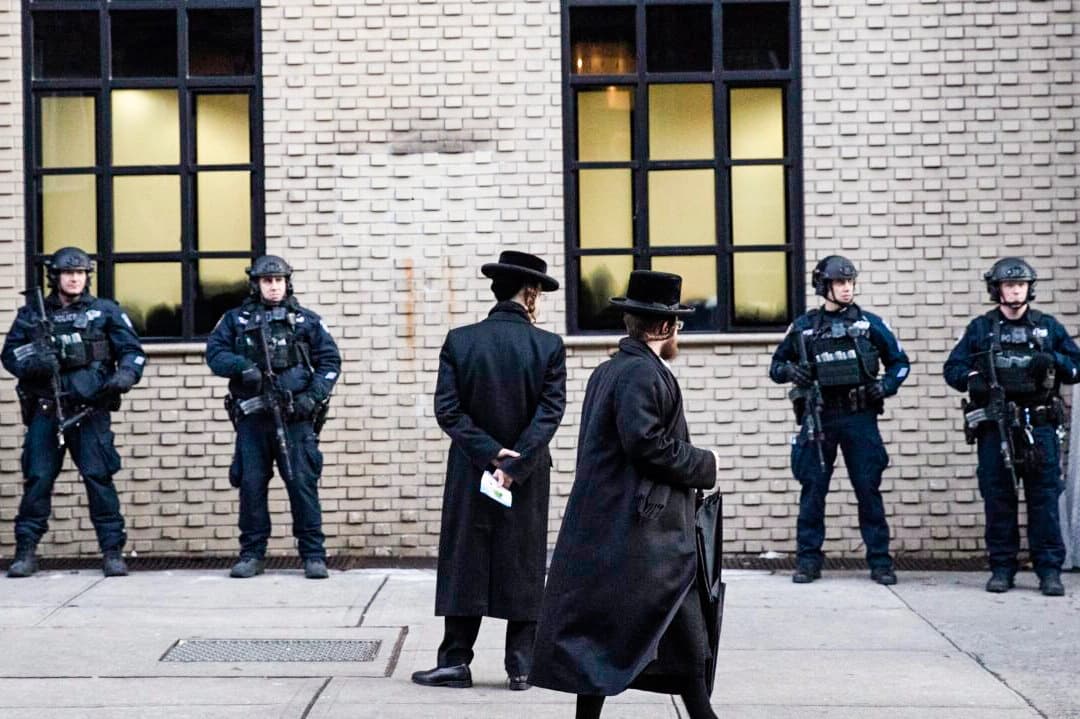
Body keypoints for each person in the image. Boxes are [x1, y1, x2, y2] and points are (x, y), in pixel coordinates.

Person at [529, 270, 720, 719]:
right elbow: (645, 444)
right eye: (678, 324)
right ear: (663, 326)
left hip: (630, 533)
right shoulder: (640, 372)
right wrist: (705, 463)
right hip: (647, 540)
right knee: (680, 643)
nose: (680, 332)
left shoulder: (614, 369)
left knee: (667, 645)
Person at [412, 250, 566, 692]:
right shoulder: (548, 346)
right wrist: (515, 462)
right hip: (528, 472)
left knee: (466, 558)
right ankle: (521, 666)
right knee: (523, 559)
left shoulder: (460, 340)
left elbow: (448, 411)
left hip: (470, 469)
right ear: (531, 292)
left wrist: (489, 454)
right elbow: (550, 413)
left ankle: (455, 661)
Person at [1, 247, 146, 578]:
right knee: (38, 478)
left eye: (80, 273)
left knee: (99, 479)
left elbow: (133, 352)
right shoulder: (33, 314)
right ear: (55, 277)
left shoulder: (104, 311)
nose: (75, 278)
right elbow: (10, 355)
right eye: (68, 273)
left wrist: (124, 376)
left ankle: (112, 551)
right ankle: (26, 551)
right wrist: (35, 364)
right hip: (47, 409)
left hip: (90, 410)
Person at [769, 255, 910, 585]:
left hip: (859, 416)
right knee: (813, 490)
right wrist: (791, 370)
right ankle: (808, 561)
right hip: (820, 417)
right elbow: (776, 367)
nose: (847, 289)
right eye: (840, 283)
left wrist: (884, 387)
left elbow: (900, 364)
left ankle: (880, 562)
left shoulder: (870, 324)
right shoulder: (804, 326)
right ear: (824, 286)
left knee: (868, 490)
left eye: (850, 282)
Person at [944, 257, 1080, 596]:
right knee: (998, 499)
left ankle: (1049, 571)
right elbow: (953, 369)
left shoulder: (1047, 327)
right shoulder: (981, 328)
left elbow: (1076, 366)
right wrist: (973, 380)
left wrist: (1054, 361)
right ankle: (1002, 568)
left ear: (1029, 288)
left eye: (1021, 284)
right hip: (996, 425)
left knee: (1044, 499)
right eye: (1009, 284)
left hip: (1040, 426)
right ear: (997, 289)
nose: (1016, 290)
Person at [206, 255, 341, 580]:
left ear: (287, 282)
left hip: (296, 419)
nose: (274, 286)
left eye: (279, 280)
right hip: (254, 420)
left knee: (302, 485)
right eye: (268, 281)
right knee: (251, 486)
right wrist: (244, 368)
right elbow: (214, 353)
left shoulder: (305, 321)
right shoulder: (236, 320)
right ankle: (252, 555)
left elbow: (330, 361)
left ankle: (313, 555)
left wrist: (312, 397)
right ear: (257, 284)